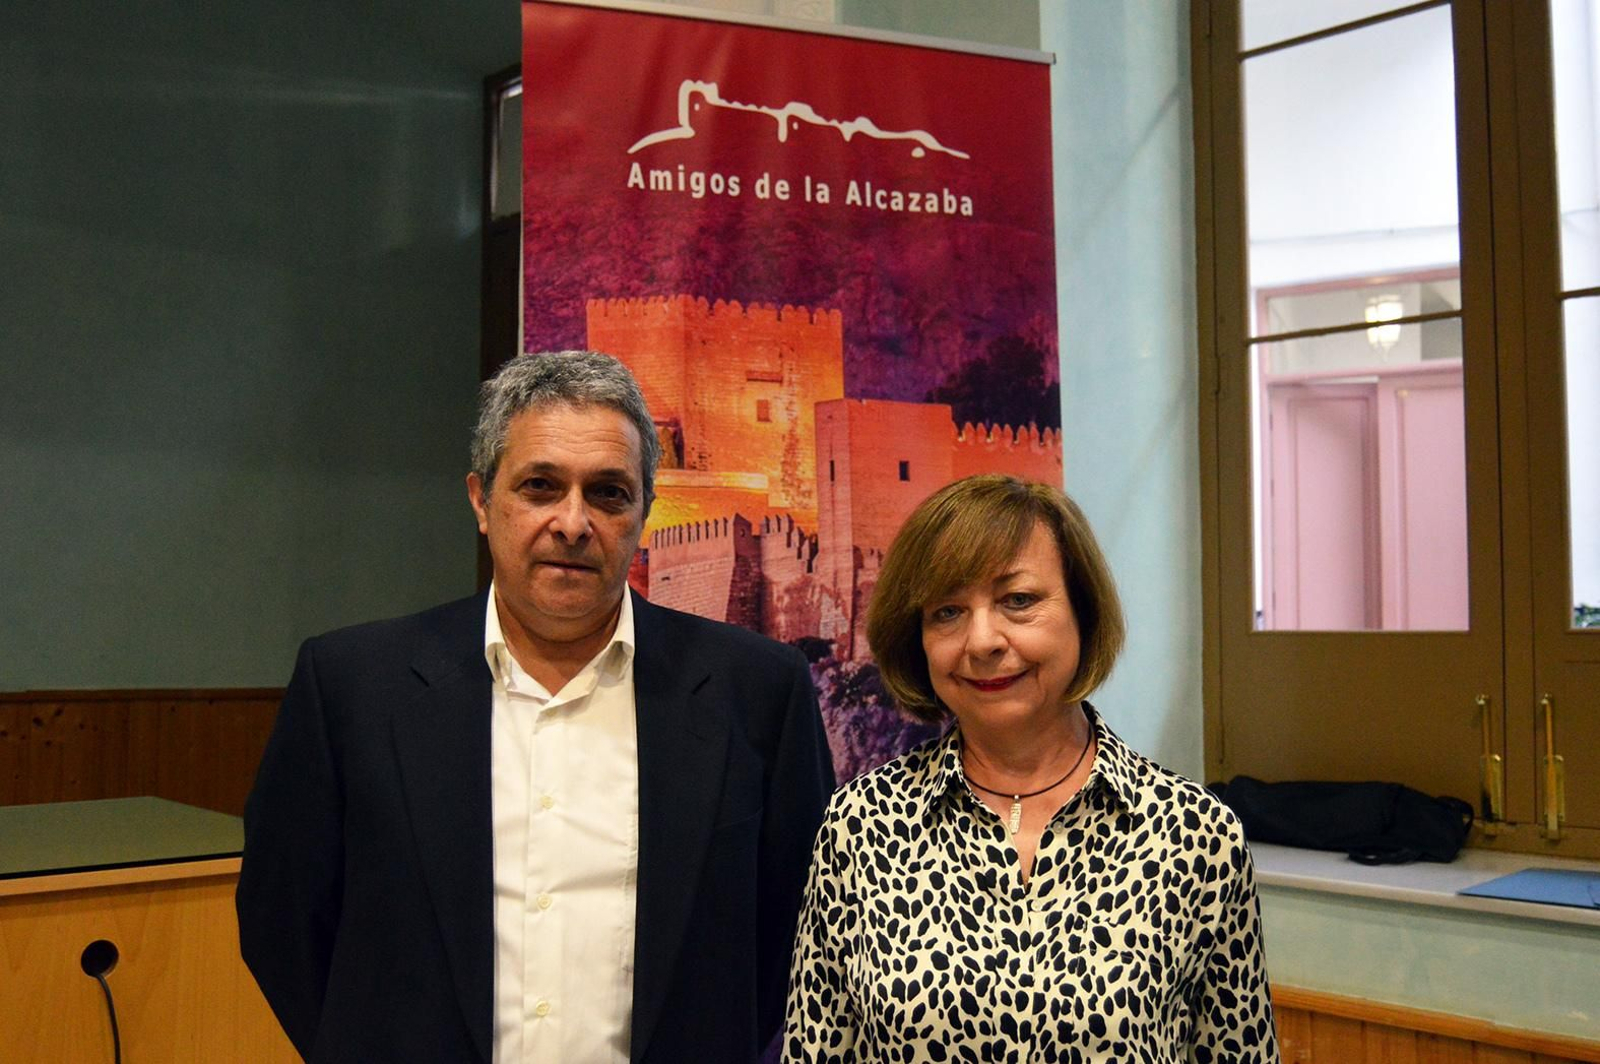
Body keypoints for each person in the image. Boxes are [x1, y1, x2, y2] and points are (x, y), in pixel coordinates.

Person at [238, 350, 835, 1064]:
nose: (573, 522)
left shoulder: (757, 693)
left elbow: (792, 937)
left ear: (645, 511)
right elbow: (285, 923)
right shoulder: (352, 689)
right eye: (540, 486)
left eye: (609, 493)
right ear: (481, 501)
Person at [784, 474, 1278, 1063]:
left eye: (1018, 600)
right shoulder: (860, 827)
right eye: (947, 611)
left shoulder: (1195, 835)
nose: (983, 640)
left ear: (1083, 611)